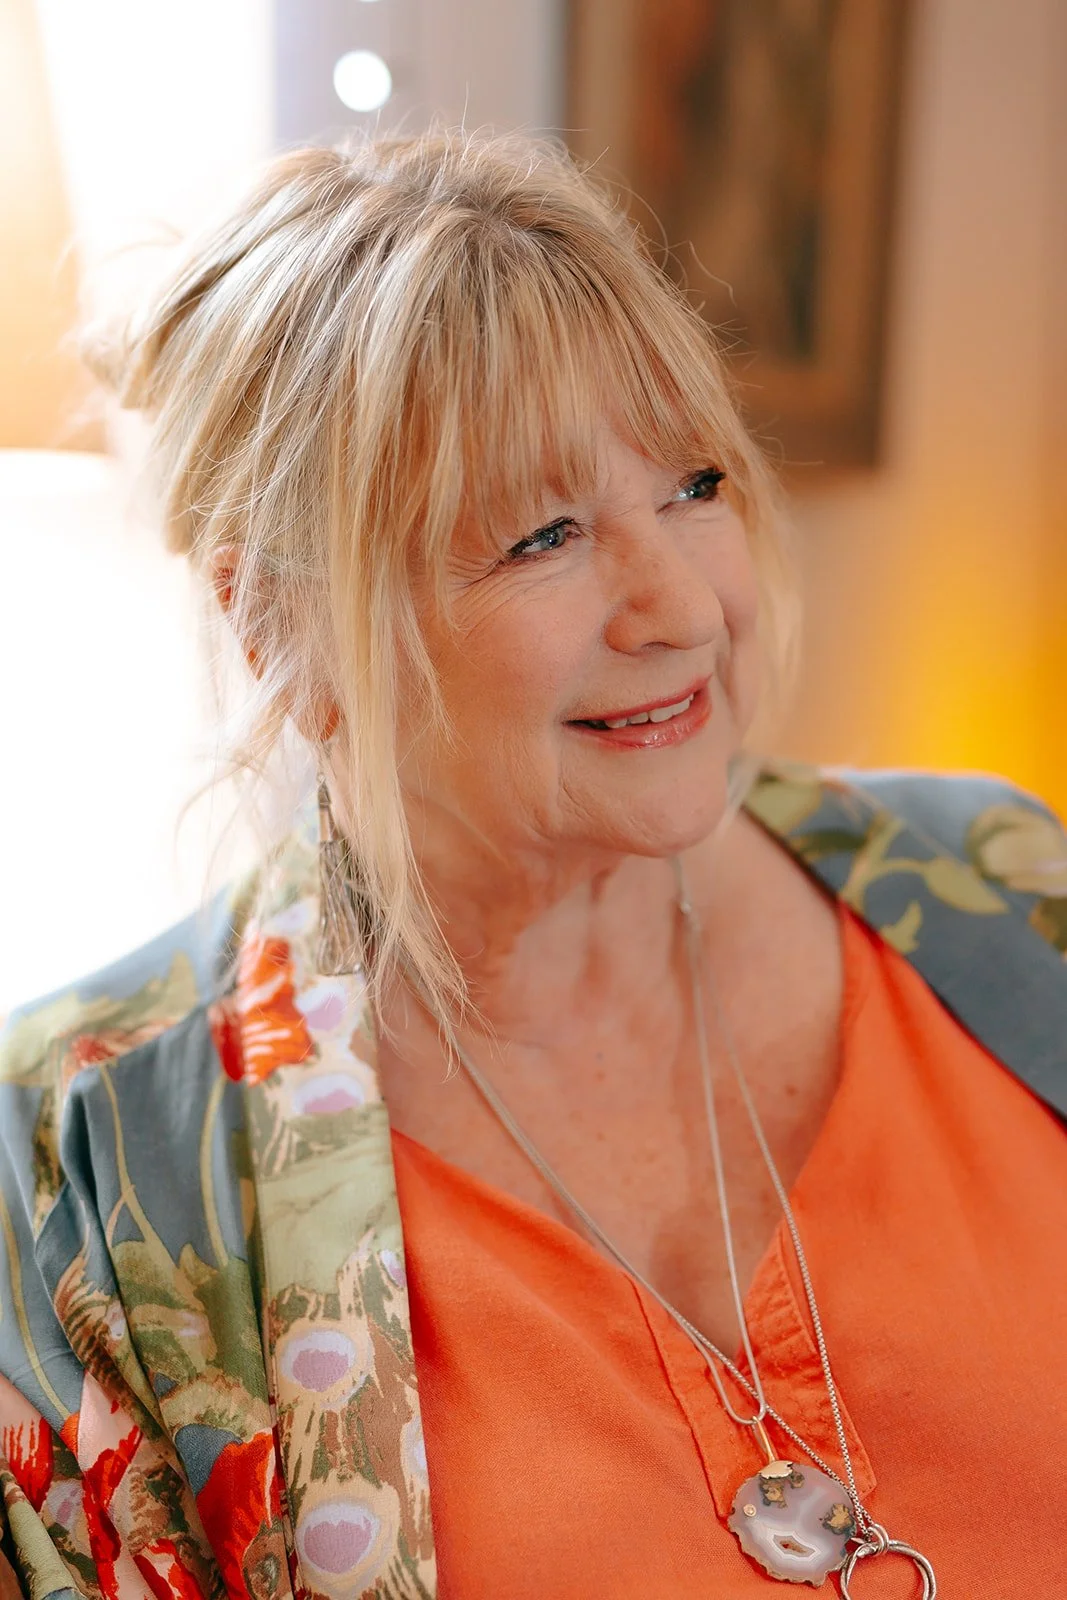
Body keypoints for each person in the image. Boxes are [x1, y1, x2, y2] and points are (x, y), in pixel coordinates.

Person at [1, 131, 1064, 1600]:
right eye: (542, 534)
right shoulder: (77, 1168)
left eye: (693, 483)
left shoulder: (1006, 887)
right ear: (278, 625)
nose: (681, 603)